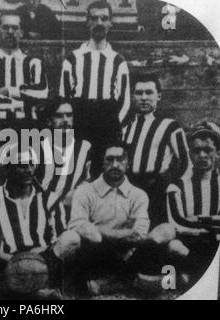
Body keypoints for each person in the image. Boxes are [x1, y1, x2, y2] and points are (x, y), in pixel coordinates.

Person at [68, 143, 176, 295]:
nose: (115, 165)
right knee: (87, 238)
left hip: (130, 251)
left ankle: (116, 282)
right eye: (109, 160)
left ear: (128, 163)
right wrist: (117, 233)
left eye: (120, 159)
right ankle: (132, 280)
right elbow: (79, 226)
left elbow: (139, 233)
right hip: (98, 252)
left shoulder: (138, 195)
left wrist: (105, 231)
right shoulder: (84, 192)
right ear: (102, 163)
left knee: (166, 230)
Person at [0, 145, 81, 293]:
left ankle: (37, 286)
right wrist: (16, 261)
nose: (29, 170)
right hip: (7, 262)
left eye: (32, 164)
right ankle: (35, 290)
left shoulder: (49, 198)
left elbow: (59, 237)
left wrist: (36, 257)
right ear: (7, 169)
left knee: (71, 237)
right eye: (22, 165)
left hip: (44, 259)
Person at [59, 0, 131, 179]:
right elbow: (64, 96)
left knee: (103, 173)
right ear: (87, 21)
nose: (99, 23)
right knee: (77, 172)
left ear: (110, 23)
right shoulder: (73, 58)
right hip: (80, 119)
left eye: (104, 18)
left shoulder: (118, 60)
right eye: (95, 18)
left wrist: (114, 125)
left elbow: (125, 101)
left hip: (107, 121)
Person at [123, 73, 191, 228]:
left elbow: (185, 161)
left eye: (149, 92)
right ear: (133, 96)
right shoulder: (126, 129)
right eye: (139, 93)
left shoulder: (170, 126)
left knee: (156, 235)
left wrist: (167, 182)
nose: (144, 97)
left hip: (157, 190)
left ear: (159, 96)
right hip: (130, 190)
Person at [166, 122, 220, 284]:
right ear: (190, 155)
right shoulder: (176, 186)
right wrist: (212, 223)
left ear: (217, 154)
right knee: (174, 246)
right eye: (197, 151)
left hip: (215, 243)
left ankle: (191, 277)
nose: (202, 155)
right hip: (190, 243)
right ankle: (202, 276)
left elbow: (187, 220)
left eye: (208, 150)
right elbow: (177, 223)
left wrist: (196, 219)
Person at [0, 12, 49, 130]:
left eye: (15, 28)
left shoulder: (34, 64)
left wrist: (9, 91)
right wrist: (21, 103)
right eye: (5, 27)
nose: (10, 31)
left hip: (28, 127)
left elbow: (41, 93)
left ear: (21, 32)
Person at [39, 98, 91, 212]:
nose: (65, 120)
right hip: (42, 211)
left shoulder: (84, 147)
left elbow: (88, 180)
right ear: (49, 121)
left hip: (71, 212)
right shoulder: (38, 148)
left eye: (69, 115)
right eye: (59, 116)